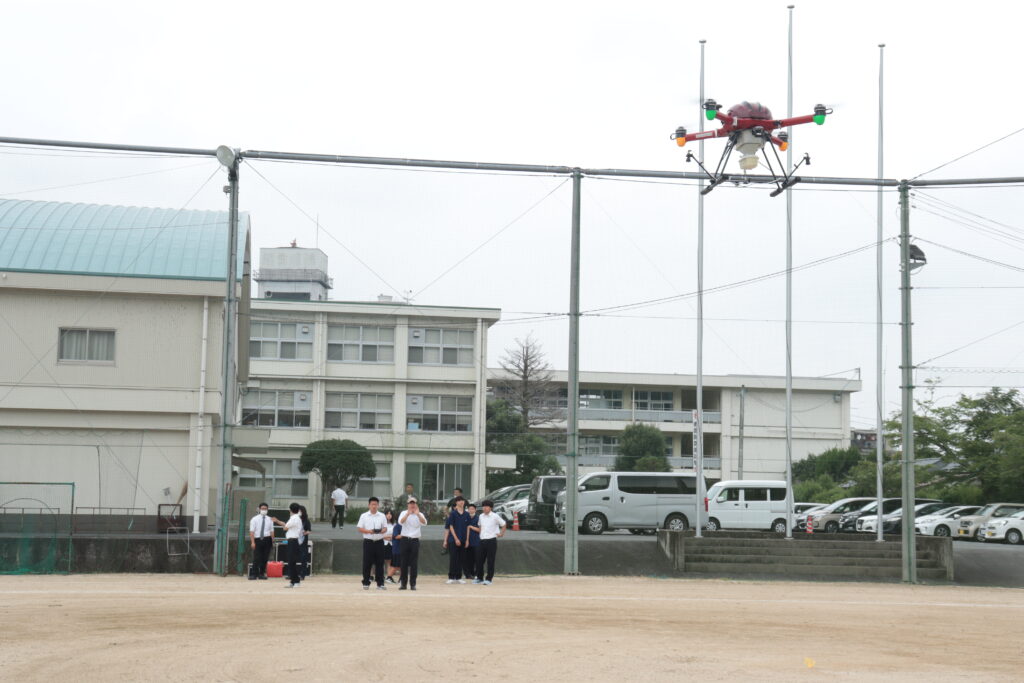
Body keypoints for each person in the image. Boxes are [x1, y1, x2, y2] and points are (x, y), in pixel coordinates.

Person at [357, 497, 388, 590]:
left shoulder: (382, 516)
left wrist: (381, 531)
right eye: (372, 504)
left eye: (376, 504)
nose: (374, 506)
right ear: (369, 505)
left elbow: (385, 528)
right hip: (368, 542)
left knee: (380, 563)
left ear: (378, 505)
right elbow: (359, 528)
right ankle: (366, 582)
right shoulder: (364, 515)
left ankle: (380, 583)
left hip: (379, 542)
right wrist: (369, 531)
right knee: (367, 563)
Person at [398, 497, 426, 591]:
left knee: (414, 563)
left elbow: (424, 523)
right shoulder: (403, 513)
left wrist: (418, 515)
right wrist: (407, 514)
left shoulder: (420, 514)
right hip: (404, 539)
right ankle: (403, 584)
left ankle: (413, 584)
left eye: (414, 503)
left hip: (414, 540)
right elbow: (400, 522)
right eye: (410, 503)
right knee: (403, 562)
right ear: (408, 504)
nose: (412, 505)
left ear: (416, 504)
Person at [475, 499, 506, 585]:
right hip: (482, 540)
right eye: (483, 506)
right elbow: (480, 526)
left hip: (491, 541)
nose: (484, 508)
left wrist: (501, 533)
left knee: (490, 561)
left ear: (491, 508)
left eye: (486, 506)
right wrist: (480, 535)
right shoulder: (481, 516)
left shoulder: (495, 516)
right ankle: (479, 578)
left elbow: (503, 524)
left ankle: (489, 579)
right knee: (479, 560)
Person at [444, 496, 470, 584]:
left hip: (463, 539)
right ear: (456, 503)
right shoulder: (453, 514)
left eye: (462, 500)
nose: (461, 502)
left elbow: (468, 528)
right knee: (453, 558)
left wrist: (467, 540)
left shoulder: (467, 514)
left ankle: (458, 577)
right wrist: (456, 539)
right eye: (459, 501)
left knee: (461, 558)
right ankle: (451, 577)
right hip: (453, 539)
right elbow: (450, 527)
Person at [277, 503, 303, 588]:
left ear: (290, 510)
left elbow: (285, 528)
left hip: (293, 541)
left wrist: (281, 523)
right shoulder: (297, 518)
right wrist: (278, 522)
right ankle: (293, 581)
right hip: (293, 541)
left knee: (292, 562)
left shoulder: (294, 518)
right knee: (291, 562)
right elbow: (287, 526)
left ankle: (296, 581)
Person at [248, 502, 274, 580]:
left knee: (265, 558)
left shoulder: (270, 519)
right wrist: (253, 542)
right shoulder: (254, 519)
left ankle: (261, 573)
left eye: (265, 509)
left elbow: (272, 531)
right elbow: (252, 531)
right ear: (259, 509)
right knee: (256, 557)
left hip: (267, 539)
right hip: (258, 539)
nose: (264, 510)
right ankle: (254, 574)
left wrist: (272, 540)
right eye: (262, 509)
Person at [465, 503, 482, 583]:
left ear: (475, 510)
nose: (471, 510)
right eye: (469, 509)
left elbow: (480, 530)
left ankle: (477, 574)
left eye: (472, 509)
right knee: (468, 559)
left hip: (476, 541)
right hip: (467, 542)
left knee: (477, 559)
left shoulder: (479, 518)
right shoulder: (465, 518)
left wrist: (471, 527)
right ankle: (469, 574)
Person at [382, 509, 397, 584]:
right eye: (387, 513)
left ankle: (389, 577)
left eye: (390, 514)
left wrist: (391, 537)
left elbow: (395, 534)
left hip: (391, 544)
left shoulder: (394, 524)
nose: (389, 515)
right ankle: (380, 576)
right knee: (381, 561)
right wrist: (385, 537)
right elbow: (379, 534)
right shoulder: (382, 523)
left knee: (389, 561)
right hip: (383, 544)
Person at [386, 512, 402, 584]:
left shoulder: (405, 526)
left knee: (402, 564)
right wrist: (406, 535)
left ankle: (402, 578)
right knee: (395, 565)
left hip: (402, 549)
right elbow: (396, 536)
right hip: (397, 549)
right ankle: (389, 577)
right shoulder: (397, 526)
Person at [298, 505, 312, 582]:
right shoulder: (295, 519)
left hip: (303, 541)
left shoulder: (306, 520)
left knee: (303, 558)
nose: (299, 512)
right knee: (293, 557)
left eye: (300, 511)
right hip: (295, 540)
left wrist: (304, 533)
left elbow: (309, 530)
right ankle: (291, 574)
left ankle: (302, 574)